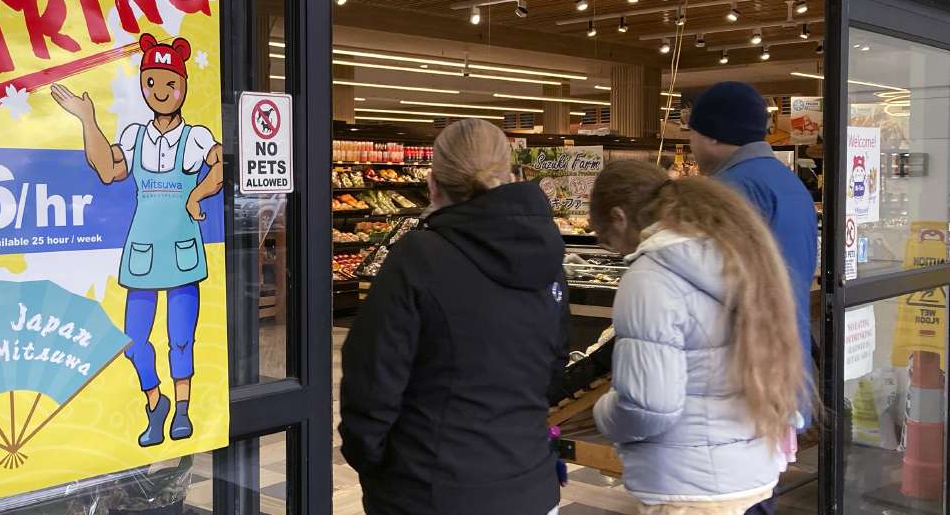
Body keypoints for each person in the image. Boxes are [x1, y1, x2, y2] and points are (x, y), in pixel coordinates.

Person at [340, 119, 569, 515]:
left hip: (430, 489)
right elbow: (553, 369)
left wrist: (378, 465)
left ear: (432, 184)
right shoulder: (549, 258)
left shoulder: (418, 259)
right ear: (512, 175)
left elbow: (372, 380)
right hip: (531, 483)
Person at [590, 160, 808, 515]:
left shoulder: (650, 277)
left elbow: (649, 406)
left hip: (688, 489)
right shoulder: (736, 251)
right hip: (754, 471)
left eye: (607, 239)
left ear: (619, 217)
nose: (616, 251)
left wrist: (604, 412)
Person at [52, 33, 223, 448]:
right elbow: (107, 170)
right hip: (143, 252)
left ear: (182, 86)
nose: (161, 92)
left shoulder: (198, 137)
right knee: (133, 341)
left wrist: (196, 195)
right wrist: (88, 120)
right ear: (143, 85)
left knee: (181, 338)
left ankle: (182, 410)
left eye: (169, 83)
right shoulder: (134, 135)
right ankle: (155, 403)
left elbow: (221, 167)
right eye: (151, 83)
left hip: (183, 252)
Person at [687, 81, 818, 515]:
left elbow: (707, 290)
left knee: (732, 498)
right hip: (782, 366)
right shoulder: (790, 184)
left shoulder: (729, 191)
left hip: (740, 373)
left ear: (712, 134)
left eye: (691, 133)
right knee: (760, 491)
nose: (689, 145)